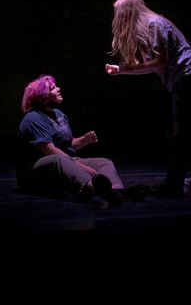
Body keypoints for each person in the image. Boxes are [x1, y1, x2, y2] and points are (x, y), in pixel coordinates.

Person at [106, 0, 191, 197]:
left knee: (181, 132)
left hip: (187, 78)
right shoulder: (154, 25)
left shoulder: (154, 24)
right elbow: (155, 66)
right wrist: (122, 69)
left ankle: (174, 183)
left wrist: (123, 69)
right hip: (190, 78)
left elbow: (159, 62)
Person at [17, 74, 125, 206]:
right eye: (52, 88)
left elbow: (68, 144)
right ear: (42, 96)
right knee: (60, 159)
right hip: (36, 173)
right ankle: (90, 187)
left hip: (66, 161)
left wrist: (84, 140)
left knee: (104, 162)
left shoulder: (58, 114)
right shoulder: (33, 118)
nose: (58, 88)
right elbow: (49, 150)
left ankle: (115, 191)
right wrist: (82, 167)